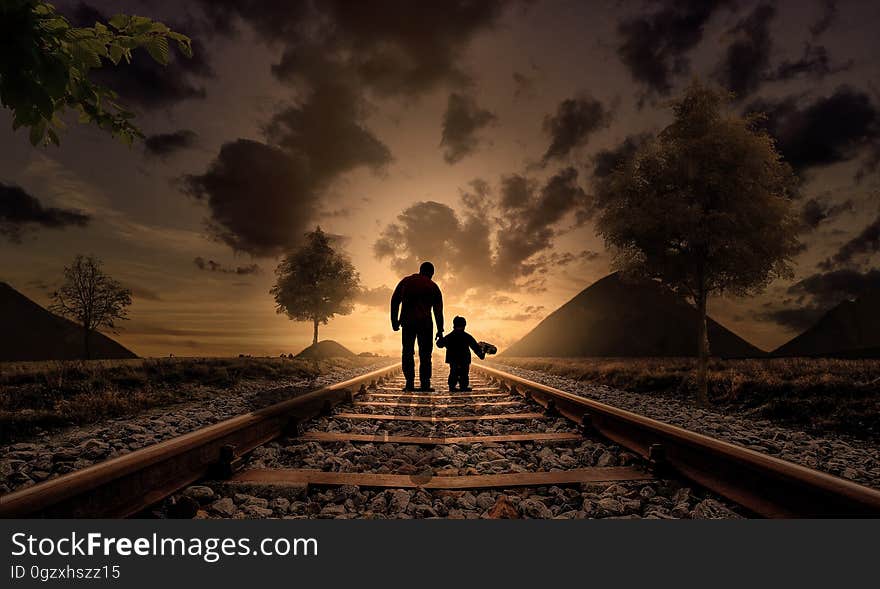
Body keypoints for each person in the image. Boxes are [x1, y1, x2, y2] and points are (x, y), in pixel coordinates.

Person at [390, 261, 444, 391]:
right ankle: (425, 384)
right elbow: (438, 311)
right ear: (431, 273)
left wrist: (394, 321)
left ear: (420, 270)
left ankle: (409, 383)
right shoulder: (433, 286)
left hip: (407, 323)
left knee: (407, 352)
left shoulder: (406, 281)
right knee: (425, 354)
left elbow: (395, 301)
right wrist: (440, 330)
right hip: (425, 324)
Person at [436, 315, 485, 392]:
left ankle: (452, 387)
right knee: (464, 373)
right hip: (464, 359)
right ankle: (463, 387)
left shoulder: (449, 336)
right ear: (464, 325)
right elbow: (475, 347)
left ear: (454, 325)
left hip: (453, 359)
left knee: (453, 372)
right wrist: (481, 354)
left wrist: (440, 339)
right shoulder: (467, 336)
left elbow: (439, 345)